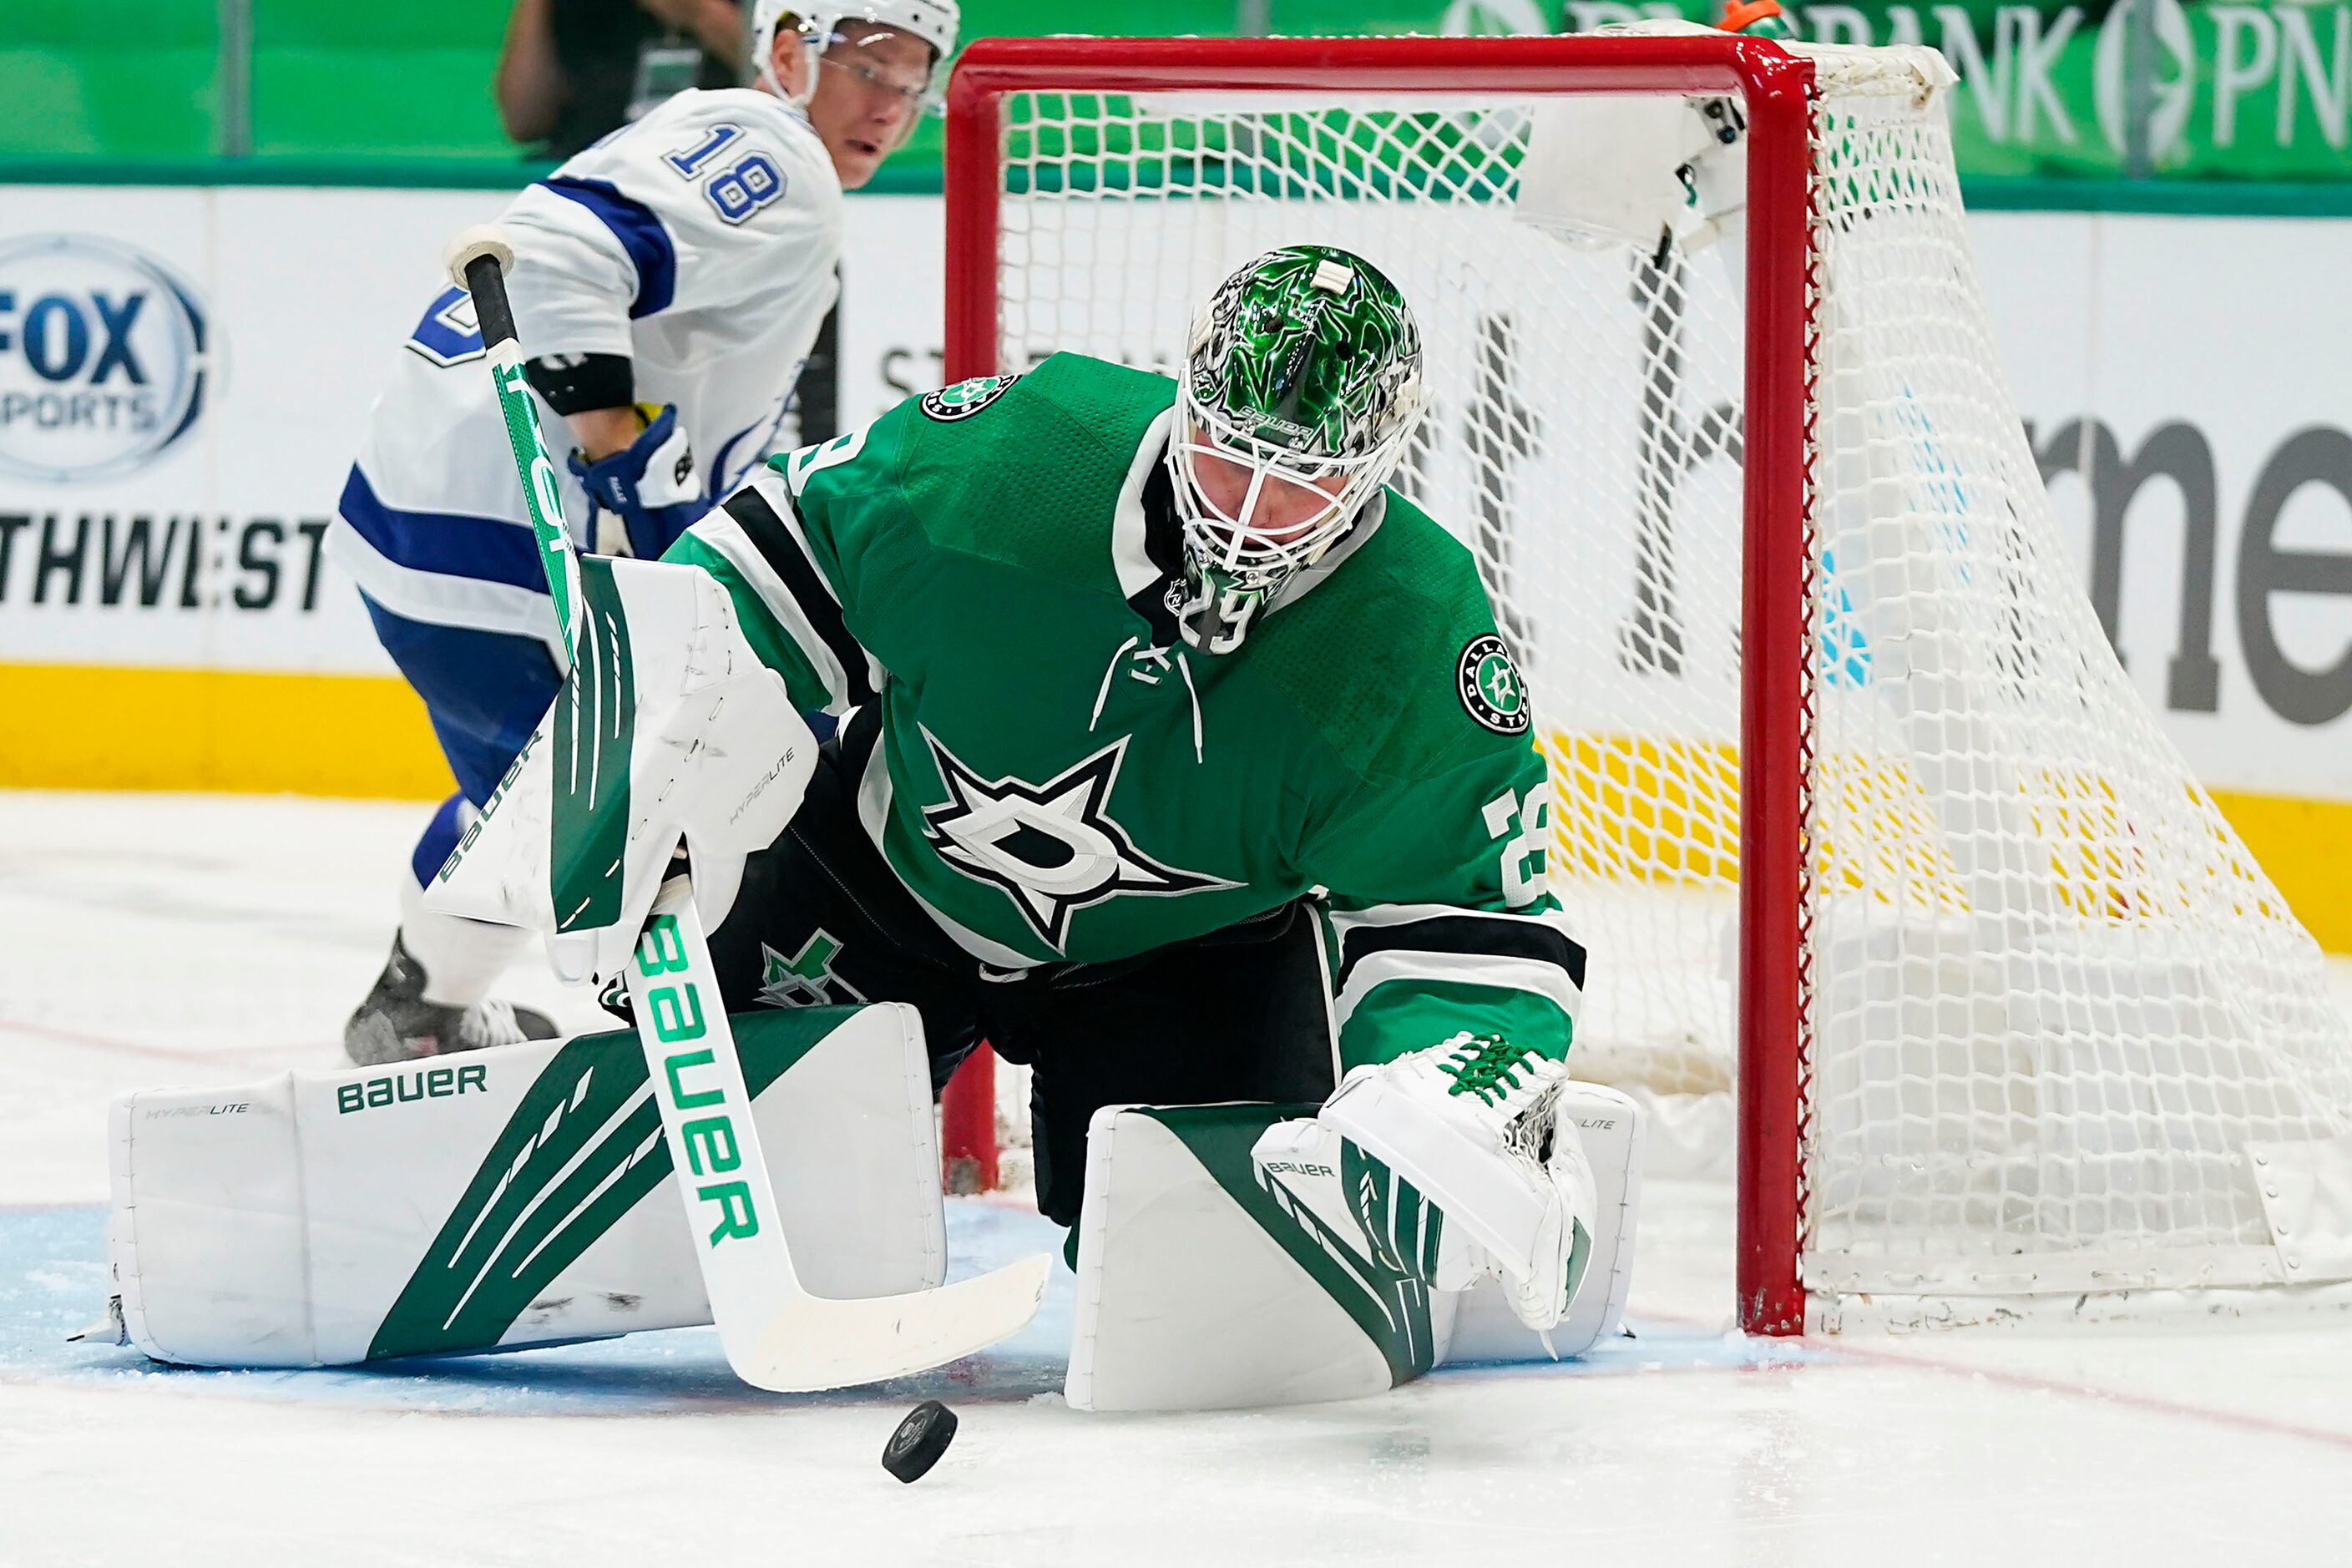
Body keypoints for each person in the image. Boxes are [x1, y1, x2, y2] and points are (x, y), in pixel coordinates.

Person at [615, 245, 1597, 1328]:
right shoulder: (1019, 457)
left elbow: (1464, 917)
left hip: (1183, 958)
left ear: (1374, 465)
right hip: (879, 880)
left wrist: (1445, 1087)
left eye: (1303, 475)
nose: (1255, 507)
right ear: (1188, 405)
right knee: (687, 1170)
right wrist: (665, 705)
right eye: (1233, 454)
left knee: (1211, 1289)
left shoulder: (1410, 631)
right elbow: (778, 557)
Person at [328, 1, 959, 1066]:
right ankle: (731, 1072)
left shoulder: (723, 137)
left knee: (540, 800)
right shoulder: (775, 153)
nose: (891, 107)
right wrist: (618, 440)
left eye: (914, 81)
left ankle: (419, 1005)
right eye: (870, 67)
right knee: (668, 820)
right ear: (793, 52)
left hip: (424, 531)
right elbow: (553, 250)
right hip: (500, 550)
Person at [495, 0, 751, 159]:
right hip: (589, 166)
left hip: (715, 163)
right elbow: (524, 121)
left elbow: (782, 84)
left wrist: (700, 13)